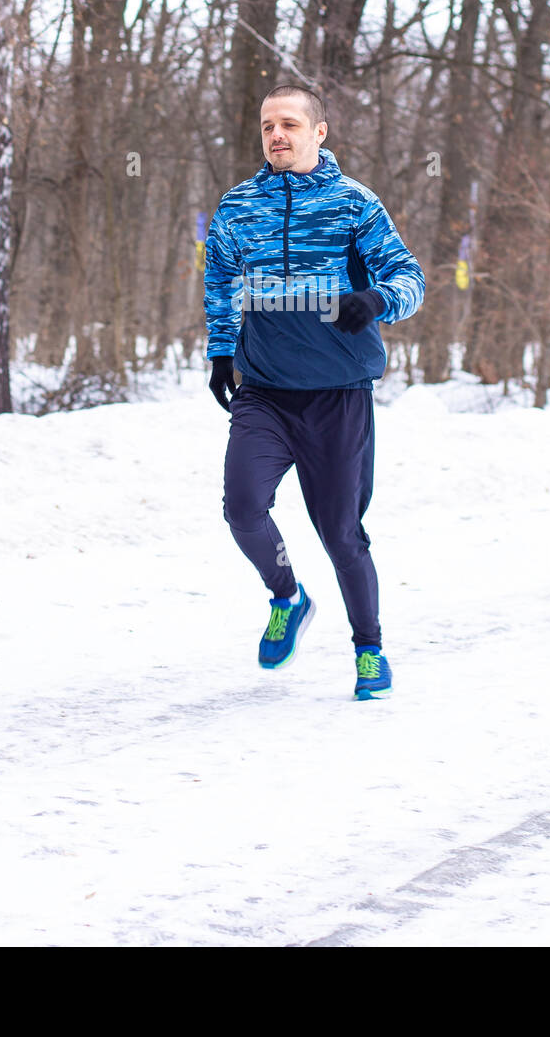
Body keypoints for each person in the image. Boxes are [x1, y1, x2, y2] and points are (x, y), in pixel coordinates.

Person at [203, 84, 425, 700]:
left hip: (337, 394)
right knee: (242, 507)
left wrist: (376, 298)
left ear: (319, 132)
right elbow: (220, 278)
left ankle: (370, 650)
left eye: (291, 124)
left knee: (341, 533)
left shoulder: (354, 204)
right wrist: (222, 351)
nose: (278, 135)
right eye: (268, 125)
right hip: (265, 391)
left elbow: (410, 277)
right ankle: (287, 596)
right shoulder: (238, 206)